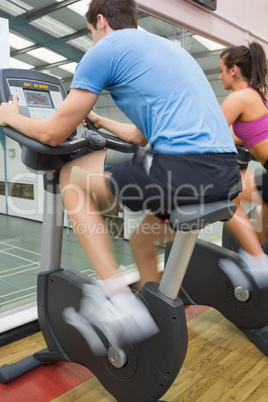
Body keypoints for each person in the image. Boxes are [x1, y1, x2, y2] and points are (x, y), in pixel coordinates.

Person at [0, 0, 241, 354]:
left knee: (71, 176)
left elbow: (52, 134)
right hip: (225, 172)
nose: (92, 40)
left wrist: (9, 117)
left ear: (100, 21)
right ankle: (152, 331)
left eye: (90, 33)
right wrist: (100, 120)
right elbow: (140, 137)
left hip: (185, 166)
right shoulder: (165, 49)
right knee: (144, 240)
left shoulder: (107, 50)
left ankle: (115, 300)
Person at [218, 42, 268, 281]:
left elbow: (210, 134)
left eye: (221, 70)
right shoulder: (257, 96)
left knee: (228, 196)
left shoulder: (238, 98)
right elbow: (243, 136)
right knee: (260, 232)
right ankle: (256, 267)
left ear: (234, 69)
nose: (219, 76)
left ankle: (257, 265)